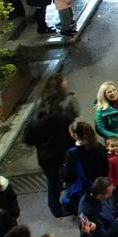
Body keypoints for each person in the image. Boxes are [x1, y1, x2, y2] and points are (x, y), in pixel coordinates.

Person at [24, 76, 80, 217]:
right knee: (69, 179)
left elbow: (29, 139)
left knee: (53, 183)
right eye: (64, 81)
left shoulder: (38, 113)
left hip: (45, 157)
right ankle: (71, 205)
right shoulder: (61, 113)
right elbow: (73, 123)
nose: (67, 82)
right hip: (62, 155)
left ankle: (56, 209)